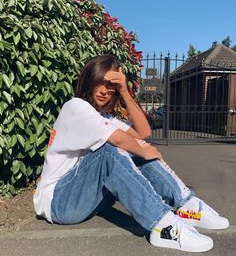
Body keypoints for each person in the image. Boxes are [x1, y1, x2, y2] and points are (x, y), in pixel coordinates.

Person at [33, 54, 229, 253]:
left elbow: (143, 132)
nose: (104, 90)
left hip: (85, 200)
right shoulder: (75, 107)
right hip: (59, 202)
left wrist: (125, 90)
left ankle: (185, 205)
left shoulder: (104, 117)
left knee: (137, 146)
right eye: (100, 82)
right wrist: (145, 151)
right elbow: (119, 140)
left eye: (112, 86)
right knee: (112, 151)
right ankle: (163, 225)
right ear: (89, 80)